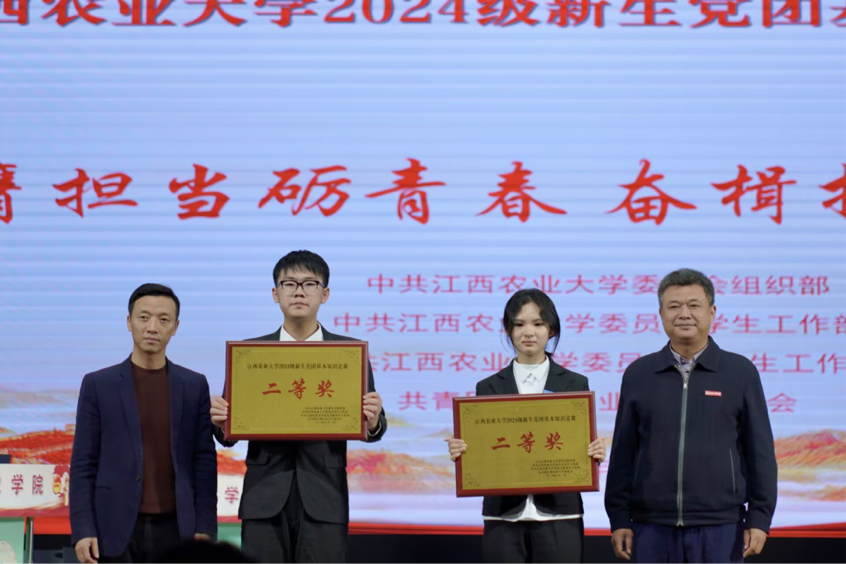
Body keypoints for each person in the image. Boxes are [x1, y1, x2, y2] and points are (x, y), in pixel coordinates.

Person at [210, 250, 387, 564]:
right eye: (289, 284)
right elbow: (227, 434)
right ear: (275, 293)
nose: (299, 292)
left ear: (325, 294)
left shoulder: (348, 354)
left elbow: (376, 426)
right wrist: (221, 423)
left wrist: (372, 421)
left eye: (309, 283)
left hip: (325, 497)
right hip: (264, 496)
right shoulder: (250, 354)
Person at [604, 268, 778, 563]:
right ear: (661, 314)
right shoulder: (639, 374)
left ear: (712, 312)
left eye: (694, 305)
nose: (684, 314)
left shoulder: (740, 373)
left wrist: (760, 518)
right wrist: (619, 518)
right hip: (651, 526)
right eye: (674, 306)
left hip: (721, 526)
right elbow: (623, 453)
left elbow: (759, 452)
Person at [447, 288, 606, 564]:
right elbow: (484, 447)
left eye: (538, 324)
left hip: (561, 512)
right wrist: (464, 452)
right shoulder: (488, 388)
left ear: (551, 329)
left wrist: (593, 451)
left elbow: (578, 441)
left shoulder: (575, 384)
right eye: (519, 324)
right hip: (502, 514)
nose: (528, 332)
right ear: (508, 330)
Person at [70, 283, 218, 564]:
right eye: (144, 317)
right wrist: (82, 529)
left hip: (177, 529)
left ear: (175, 327)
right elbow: (83, 463)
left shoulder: (194, 385)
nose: (152, 327)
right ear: (129, 322)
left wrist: (205, 527)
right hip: (112, 528)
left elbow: (204, 462)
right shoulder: (98, 384)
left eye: (163, 320)